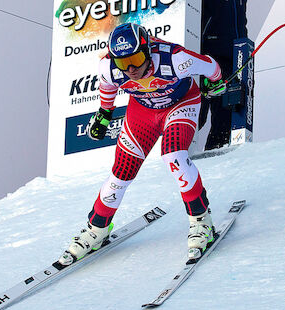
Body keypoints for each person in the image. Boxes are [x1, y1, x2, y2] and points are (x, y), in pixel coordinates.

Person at [58, 23, 227, 265]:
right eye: (123, 62)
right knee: (121, 174)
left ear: (148, 50)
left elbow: (211, 66)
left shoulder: (175, 58)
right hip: (143, 112)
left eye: (136, 58)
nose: (131, 69)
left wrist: (215, 82)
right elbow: (107, 88)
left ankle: (201, 222)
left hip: (180, 105)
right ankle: (97, 229)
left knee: (174, 156)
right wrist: (104, 114)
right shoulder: (108, 67)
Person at [199, 0, 248, 150]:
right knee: (196, 114)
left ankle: (215, 158)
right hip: (207, 55)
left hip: (235, 53)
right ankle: (174, 159)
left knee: (225, 117)